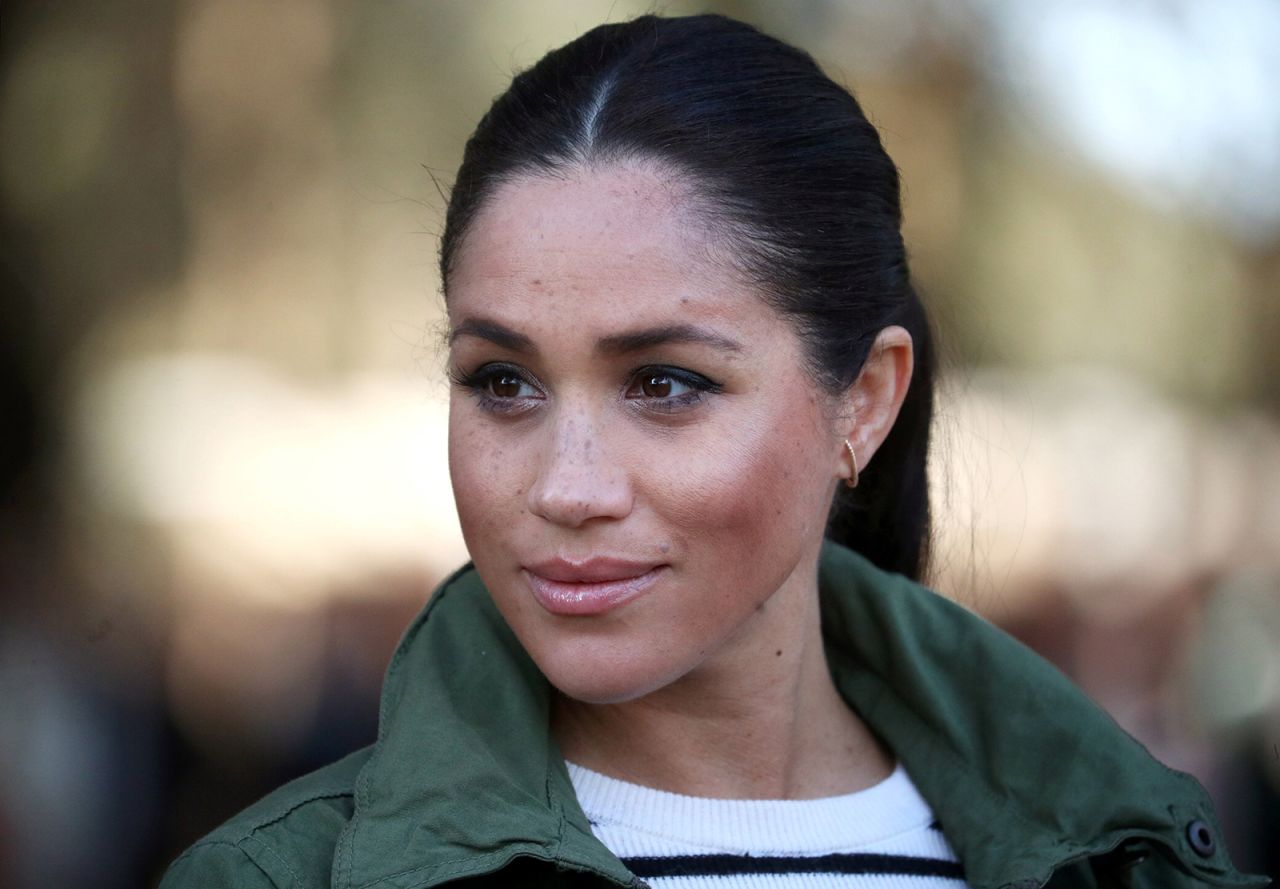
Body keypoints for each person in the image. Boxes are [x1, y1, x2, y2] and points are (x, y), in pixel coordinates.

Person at [160, 13, 1265, 889]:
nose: (564, 486)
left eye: (664, 383)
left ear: (863, 403)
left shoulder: (1123, 856)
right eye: (502, 382)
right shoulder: (276, 875)